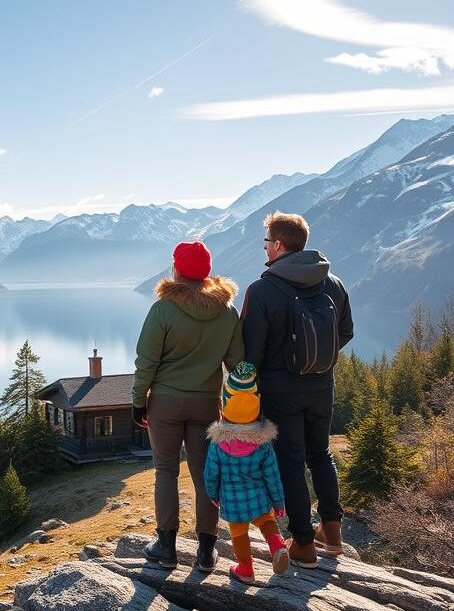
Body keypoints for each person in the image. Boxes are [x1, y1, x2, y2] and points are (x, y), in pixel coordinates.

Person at [241, 212, 354, 568]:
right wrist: (316, 362)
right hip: (322, 385)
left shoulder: (262, 289)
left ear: (277, 245)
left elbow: (250, 353)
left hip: (279, 391)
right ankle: (332, 534)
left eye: (265, 243)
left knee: (290, 462)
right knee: (320, 455)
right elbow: (345, 332)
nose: (265, 250)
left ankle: (304, 544)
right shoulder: (332, 283)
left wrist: (241, 392)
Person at [132, 240, 244, 571]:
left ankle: (166, 548)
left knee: (165, 470)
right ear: (207, 271)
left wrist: (139, 401)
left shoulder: (163, 309)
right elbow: (236, 364)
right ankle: (206, 552)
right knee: (205, 476)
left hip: (164, 404)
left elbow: (146, 361)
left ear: (177, 269)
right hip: (206, 405)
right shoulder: (227, 311)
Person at [204, 361, 289, 584]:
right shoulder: (262, 443)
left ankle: (245, 569)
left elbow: (211, 473)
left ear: (224, 404)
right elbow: (273, 474)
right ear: (256, 406)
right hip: (259, 498)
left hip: (232, 501)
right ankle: (278, 546)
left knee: (238, 533)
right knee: (266, 521)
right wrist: (278, 501)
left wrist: (212, 494)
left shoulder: (218, 444)